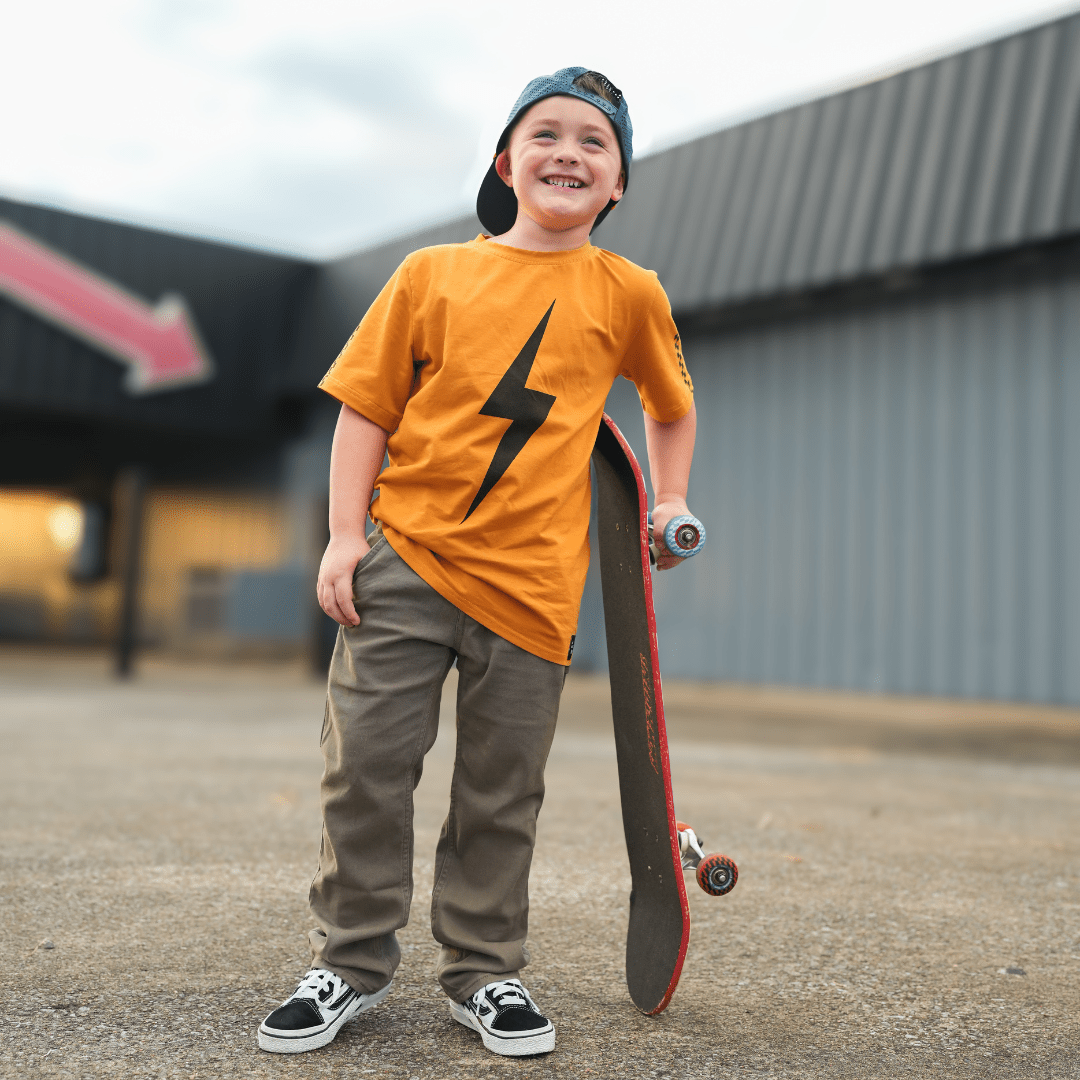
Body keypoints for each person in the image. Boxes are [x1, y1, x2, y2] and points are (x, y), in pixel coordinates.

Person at [257, 66, 697, 1059]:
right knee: (365, 765)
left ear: (619, 181)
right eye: (546, 134)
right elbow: (363, 407)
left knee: (501, 790)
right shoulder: (431, 275)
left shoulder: (628, 294)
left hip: (535, 588)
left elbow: (669, 404)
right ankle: (350, 960)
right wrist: (341, 537)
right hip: (403, 563)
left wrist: (668, 500)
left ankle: (483, 970)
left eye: (596, 141)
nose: (569, 153)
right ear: (507, 162)